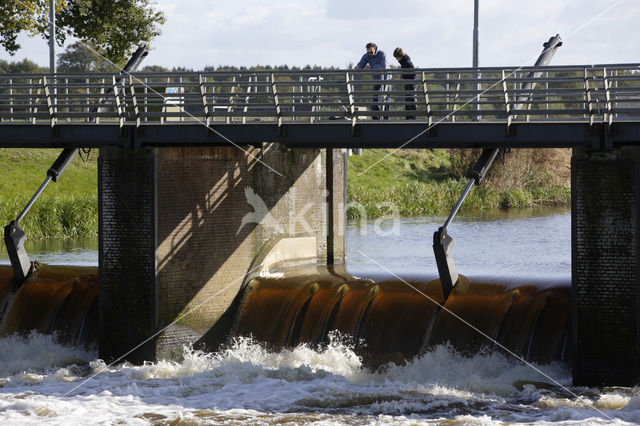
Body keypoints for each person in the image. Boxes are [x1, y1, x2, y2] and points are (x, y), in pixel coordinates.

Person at [354, 42, 387, 115]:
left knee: (385, 98)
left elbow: (383, 66)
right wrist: (358, 67)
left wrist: (372, 67)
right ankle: (376, 116)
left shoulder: (381, 54)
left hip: (386, 78)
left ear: (375, 49)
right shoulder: (367, 56)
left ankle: (385, 117)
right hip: (376, 78)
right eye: (368, 52)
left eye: (371, 52)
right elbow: (362, 63)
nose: (370, 54)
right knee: (374, 97)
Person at [393, 47, 417, 119]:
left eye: (397, 57)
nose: (396, 59)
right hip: (408, 82)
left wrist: (406, 77)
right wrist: (403, 75)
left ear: (400, 56)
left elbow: (412, 72)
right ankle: (409, 117)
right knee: (408, 100)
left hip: (410, 83)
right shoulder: (404, 61)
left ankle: (412, 117)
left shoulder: (407, 62)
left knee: (410, 100)